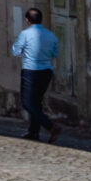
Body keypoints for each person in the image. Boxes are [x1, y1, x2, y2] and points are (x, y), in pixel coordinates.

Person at [11, 8, 61, 140]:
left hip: (30, 71)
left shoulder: (25, 34)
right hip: (46, 71)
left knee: (27, 102)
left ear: (27, 20)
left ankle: (50, 126)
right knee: (37, 102)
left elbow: (15, 51)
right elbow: (55, 54)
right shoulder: (51, 35)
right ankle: (33, 132)